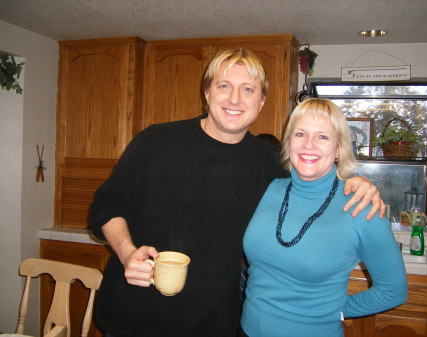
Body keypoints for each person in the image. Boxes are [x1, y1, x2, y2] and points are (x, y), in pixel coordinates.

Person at [89, 49, 385, 337]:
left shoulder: (269, 164)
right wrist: (127, 254)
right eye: (224, 86)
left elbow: (316, 180)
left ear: (262, 101)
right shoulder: (156, 141)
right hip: (134, 315)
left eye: (247, 89)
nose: (234, 99)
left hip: (212, 323)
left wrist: (354, 181)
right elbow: (107, 204)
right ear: (207, 93)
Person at [240, 98, 407, 337]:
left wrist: (337, 311)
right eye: (300, 134)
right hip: (247, 329)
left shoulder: (360, 205)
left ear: (339, 148)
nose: (309, 145)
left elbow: (393, 290)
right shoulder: (270, 188)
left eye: (323, 137)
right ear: (288, 142)